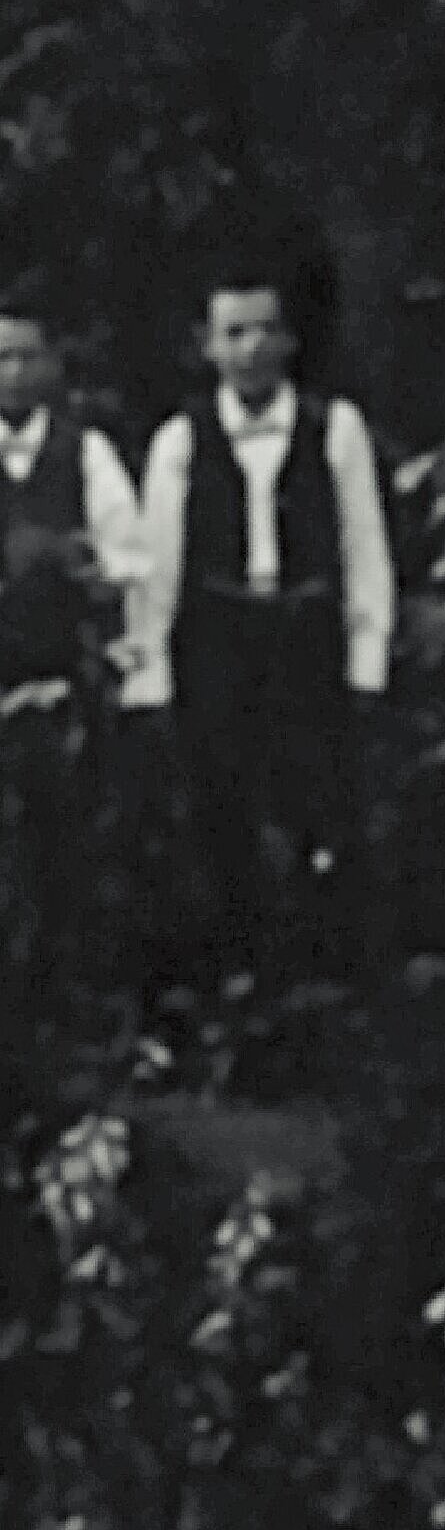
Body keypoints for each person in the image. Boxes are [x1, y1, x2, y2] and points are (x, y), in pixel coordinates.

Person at [134, 273, 390, 977]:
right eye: (233, 333)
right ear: (208, 347)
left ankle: (317, 972)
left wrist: (366, 660)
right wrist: (151, 674)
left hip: (305, 636)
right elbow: (157, 569)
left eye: (264, 331)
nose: (250, 348)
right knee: (221, 804)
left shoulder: (334, 428)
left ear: (289, 341)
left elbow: (364, 548)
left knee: (315, 800)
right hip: (218, 641)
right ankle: (235, 972)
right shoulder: (181, 440)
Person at [0, 302, 138, 1009]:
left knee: (67, 840)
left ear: (53, 365)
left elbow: (127, 553)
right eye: (0, 358)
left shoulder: (85, 453)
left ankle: (68, 998)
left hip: (62, 674)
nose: (13, 372)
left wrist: (85, 567)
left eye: (26, 356)